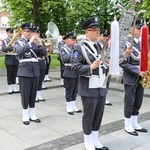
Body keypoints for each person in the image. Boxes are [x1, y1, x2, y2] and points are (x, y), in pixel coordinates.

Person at [71, 16, 109, 150]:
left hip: (101, 86)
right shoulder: (80, 48)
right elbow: (74, 67)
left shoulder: (100, 46)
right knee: (89, 116)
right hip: (88, 87)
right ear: (87, 32)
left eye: (98, 30)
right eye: (93, 30)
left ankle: (95, 139)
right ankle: (88, 142)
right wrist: (90, 67)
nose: (97, 32)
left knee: (98, 115)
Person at [120, 19, 148, 136]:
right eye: (138, 28)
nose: (140, 30)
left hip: (141, 75)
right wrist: (137, 71)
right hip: (131, 76)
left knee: (138, 99)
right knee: (129, 100)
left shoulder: (142, 43)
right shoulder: (125, 42)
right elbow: (122, 62)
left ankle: (135, 122)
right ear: (131, 30)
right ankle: (127, 124)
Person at [14, 22, 46, 125]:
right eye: (28, 31)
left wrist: (39, 44)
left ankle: (33, 114)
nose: (30, 33)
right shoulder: (19, 42)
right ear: (23, 31)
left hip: (35, 71)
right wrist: (29, 43)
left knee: (33, 94)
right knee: (25, 94)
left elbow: (43, 54)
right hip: (24, 72)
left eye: (31, 31)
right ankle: (25, 115)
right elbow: (19, 52)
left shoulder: (34, 43)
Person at [60, 31, 82, 115]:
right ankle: (69, 106)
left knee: (75, 90)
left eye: (74, 39)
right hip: (69, 70)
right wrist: (76, 55)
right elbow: (65, 59)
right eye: (72, 40)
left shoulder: (76, 48)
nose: (74, 41)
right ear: (66, 40)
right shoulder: (63, 48)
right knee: (69, 90)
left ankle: (73, 105)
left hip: (76, 71)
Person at [2, 28, 19, 94]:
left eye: (12, 33)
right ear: (7, 33)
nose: (11, 34)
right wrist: (11, 47)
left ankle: (14, 87)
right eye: (9, 33)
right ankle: (9, 88)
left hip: (15, 59)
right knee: (9, 74)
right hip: (9, 59)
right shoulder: (5, 41)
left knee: (14, 74)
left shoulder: (16, 41)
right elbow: (3, 49)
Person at [32, 26, 47, 102]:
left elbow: (45, 52)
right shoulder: (30, 42)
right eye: (35, 32)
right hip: (35, 61)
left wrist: (39, 44)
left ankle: (39, 94)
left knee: (41, 78)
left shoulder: (41, 41)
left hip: (42, 61)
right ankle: (34, 95)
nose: (37, 34)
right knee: (36, 80)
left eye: (38, 33)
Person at [99, 30, 112, 106]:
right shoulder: (98, 44)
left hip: (108, 66)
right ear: (99, 36)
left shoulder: (107, 44)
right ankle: (102, 97)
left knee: (107, 82)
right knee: (102, 82)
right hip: (101, 67)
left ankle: (105, 96)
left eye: (106, 36)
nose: (105, 37)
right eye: (103, 36)